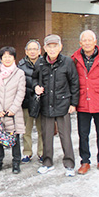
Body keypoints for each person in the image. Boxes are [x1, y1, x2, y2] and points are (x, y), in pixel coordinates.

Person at [33, 34, 79, 177]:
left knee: (65, 135)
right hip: (46, 104)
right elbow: (34, 78)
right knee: (46, 135)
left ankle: (69, 164)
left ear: (60, 47)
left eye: (55, 46)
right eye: (49, 46)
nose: (52, 49)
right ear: (45, 48)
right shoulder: (40, 62)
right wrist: (36, 87)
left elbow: (74, 83)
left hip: (63, 103)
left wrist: (73, 103)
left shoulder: (67, 62)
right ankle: (47, 162)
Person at [71, 30, 99, 175]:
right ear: (80, 43)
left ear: (95, 42)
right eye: (84, 40)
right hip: (83, 102)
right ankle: (85, 161)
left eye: (90, 40)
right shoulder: (74, 58)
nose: (87, 43)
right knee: (83, 134)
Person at [0, 46, 26, 174]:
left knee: (14, 138)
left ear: (14, 58)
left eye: (10, 56)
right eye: (5, 56)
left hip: (13, 112)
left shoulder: (19, 73)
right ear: (1, 58)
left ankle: (16, 163)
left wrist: (13, 109)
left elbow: (21, 92)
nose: (7, 59)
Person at [18, 40, 44, 163]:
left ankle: (42, 152)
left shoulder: (45, 63)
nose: (32, 51)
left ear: (39, 51)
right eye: (30, 49)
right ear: (26, 51)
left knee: (41, 129)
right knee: (26, 130)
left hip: (41, 102)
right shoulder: (20, 65)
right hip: (26, 102)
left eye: (35, 49)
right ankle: (27, 152)